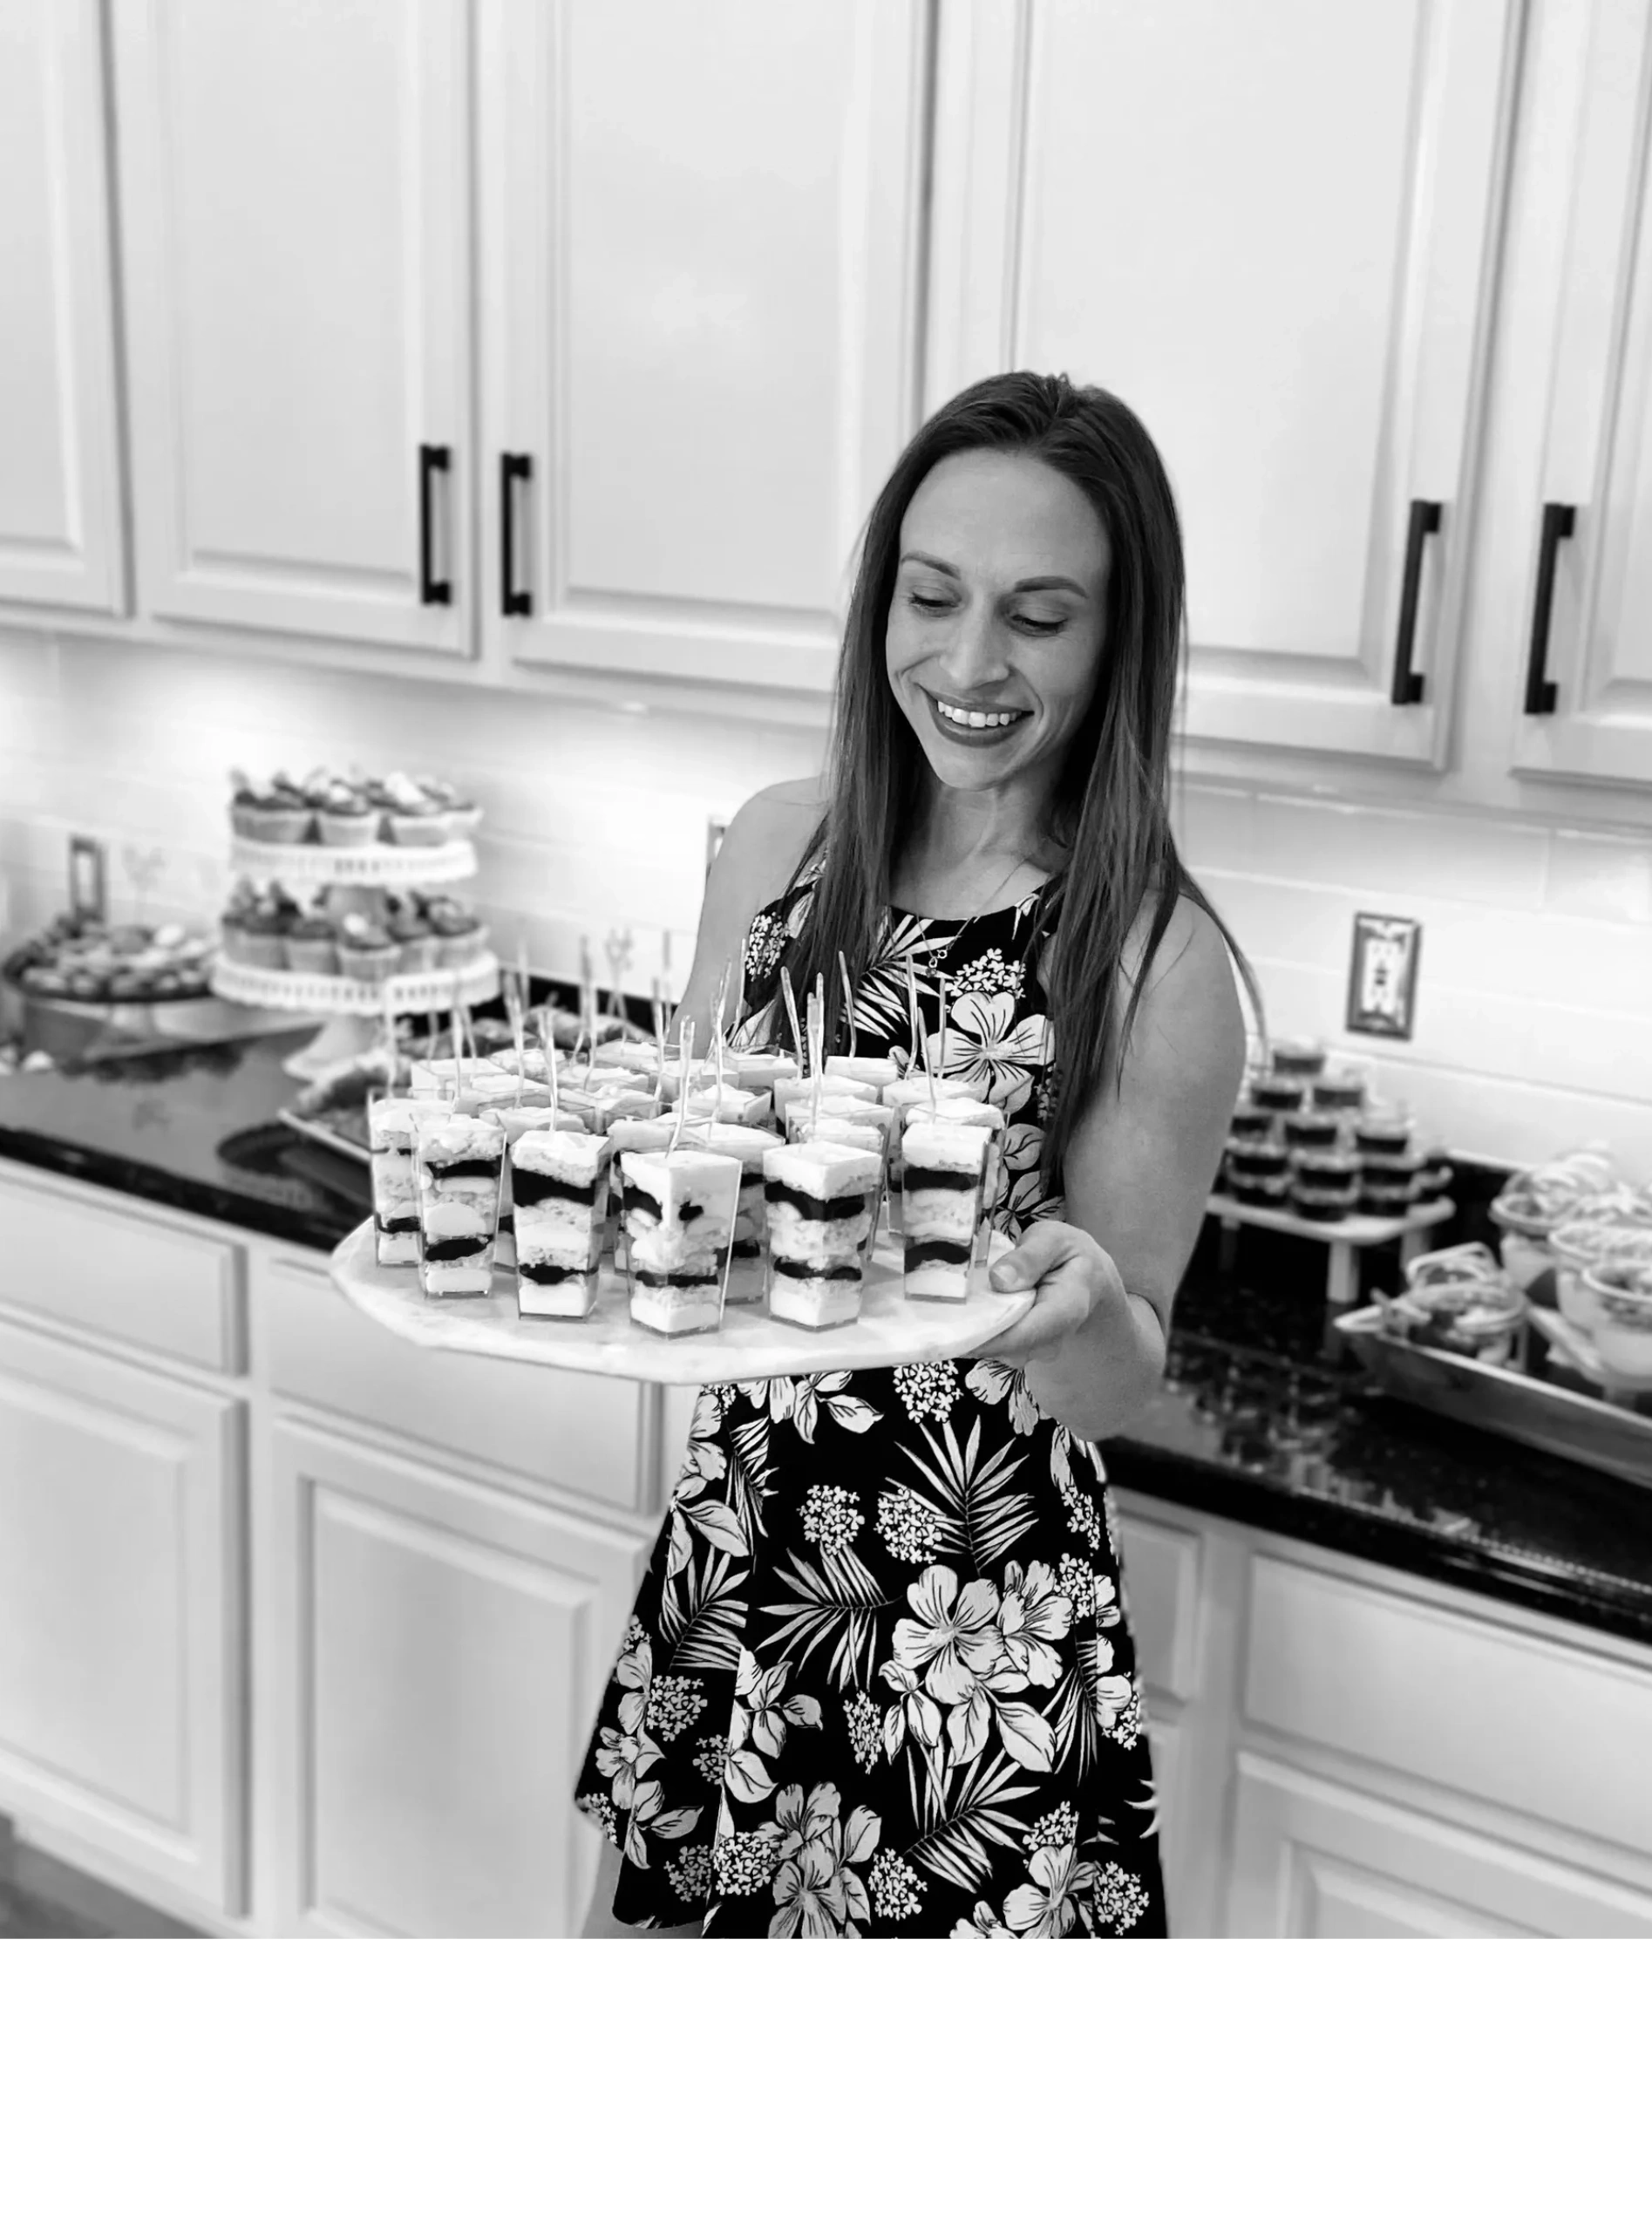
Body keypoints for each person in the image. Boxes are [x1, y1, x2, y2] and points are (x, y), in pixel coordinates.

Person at [575, 370, 1253, 1940]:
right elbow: (696, 1185)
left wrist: (1080, 1311)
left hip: (971, 1638)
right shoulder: (774, 845)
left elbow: (1127, 1375)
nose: (968, 662)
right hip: (745, 1551)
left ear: (1117, 640)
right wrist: (623, 1147)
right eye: (931, 595)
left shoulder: (1150, 957)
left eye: (1040, 614)